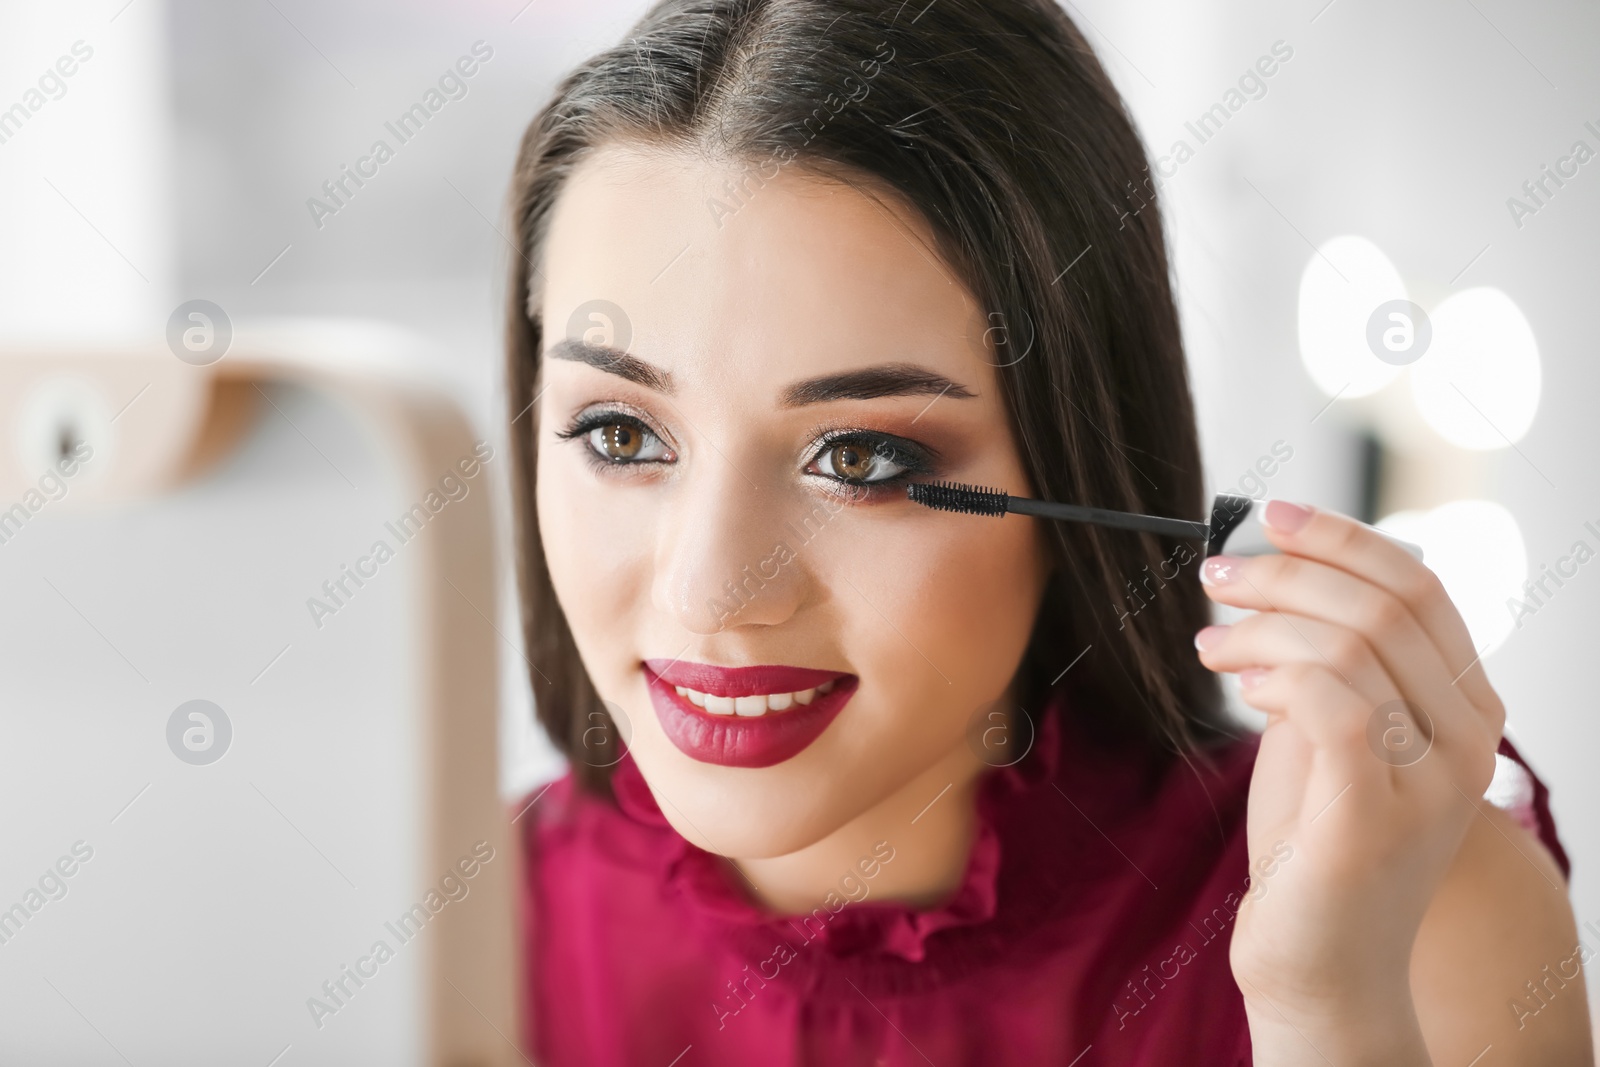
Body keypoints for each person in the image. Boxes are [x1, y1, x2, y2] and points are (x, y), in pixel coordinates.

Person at [500, 1, 1592, 1062]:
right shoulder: (484, 916)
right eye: (620, 434)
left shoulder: (1415, 917)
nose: (708, 590)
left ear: (1078, 454)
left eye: (860, 458)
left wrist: (1325, 1007)